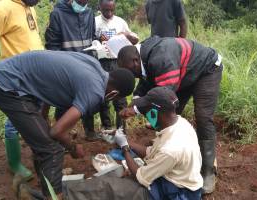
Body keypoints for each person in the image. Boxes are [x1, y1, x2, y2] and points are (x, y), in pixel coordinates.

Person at [0, 50, 135, 198]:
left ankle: (40, 191)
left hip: (13, 74)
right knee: (52, 150)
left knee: (43, 141)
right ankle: (53, 195)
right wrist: (73, 147)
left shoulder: (94, 65)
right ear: (113, 94)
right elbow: (56, 132)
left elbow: (51, 81)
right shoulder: (95, 91)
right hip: (6, 85)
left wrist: (43, 117)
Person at [117, 36, 223, 194]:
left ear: (134, 61)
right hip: (185, 71)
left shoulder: (161, 58)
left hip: (206, 70)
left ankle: (207, 171)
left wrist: (137, 110)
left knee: (202, 117)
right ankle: (164, 152)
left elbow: (164, 95)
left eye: (130, 72)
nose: (132, 76)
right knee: (170, 116)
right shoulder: (143, 56)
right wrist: (135, 101)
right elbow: (146, 80)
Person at [0, 0, 44, 182]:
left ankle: (40, 153)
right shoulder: (4, 7)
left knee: (34, 113)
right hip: (17, 77)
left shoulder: (30, 8)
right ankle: (15, 164)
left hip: (35, 76)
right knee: (15, 120)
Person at [115, 87, 203, 200]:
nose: (146, 116)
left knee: (133, 191)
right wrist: (127, 141)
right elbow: (152, 152)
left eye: (146, 112)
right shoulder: (180, 123)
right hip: (178, 178)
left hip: (181, 192)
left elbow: (140, 176)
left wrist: (124, 148)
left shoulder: (171, 149)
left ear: (154, 113)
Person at [45, 0, 99, 141]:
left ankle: (90, 131)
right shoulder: (58, 14)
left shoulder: (89, 13)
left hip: (87, 65)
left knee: (88, 99)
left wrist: (96, 44)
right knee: (65, 102)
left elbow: (92, 37)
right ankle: (63, 135)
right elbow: (52, 46)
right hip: (67, 69)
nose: (84, 4)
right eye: (81, 1)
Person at [95, 0, 139, 132]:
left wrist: (126, 35)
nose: (109, 13)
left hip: (118, 63)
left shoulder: (120, 22)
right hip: (101, 63)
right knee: (103, 98)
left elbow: (135, 39)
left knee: (120, 99)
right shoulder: (94, 22)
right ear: (100, 7)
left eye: (111, 10)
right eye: (105, 10)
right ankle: (107, 127)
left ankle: (121, 129)